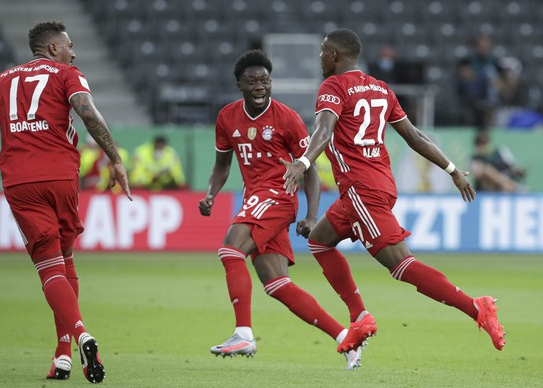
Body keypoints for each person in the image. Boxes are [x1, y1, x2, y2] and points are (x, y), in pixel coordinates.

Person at [282, 29, 505, 361]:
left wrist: (301, 162)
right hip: (377, 185)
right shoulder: (381, 88)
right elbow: (414, 136)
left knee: (401, 264)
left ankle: (476, 307)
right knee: (318, 240)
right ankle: (359, 317)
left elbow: (324, 131)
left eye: (321, 52)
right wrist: (453, 170)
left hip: (361, 190)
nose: (319, 58)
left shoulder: (333, 86)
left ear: (334, 56)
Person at [0, 21, 133, 383]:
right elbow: (88, 114)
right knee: (65, 260)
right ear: (54, 48)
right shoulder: (67, 73)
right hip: (62, 178)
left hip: (20, 183)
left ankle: (79, 338)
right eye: (69, 46)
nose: (74, 52)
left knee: (50, 266)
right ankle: (63, 355)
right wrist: (115, 159)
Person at [198, 49, 362, 370]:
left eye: (265, 80)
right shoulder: (227, 117)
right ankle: (346, 338)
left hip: (278, 195)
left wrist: (312, 215)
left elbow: (310, 169)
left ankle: (243, 333)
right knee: (276, 284)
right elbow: (221, 166)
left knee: (230, 251)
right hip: (254, 199)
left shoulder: (287, 118)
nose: (260, 86)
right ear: (239, 86)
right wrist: (211, 194)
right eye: (252, 81)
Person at [456, 35, 518, 128]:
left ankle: (492, 102)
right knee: (488, 73)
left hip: (491, 89)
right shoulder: (468, 59)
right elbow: (465, 75)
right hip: (474, 88)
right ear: (477, 46)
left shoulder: (494, 60)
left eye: (486, 46)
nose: (484, 48)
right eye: (482, 46)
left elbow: (502, 76)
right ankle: (496, 98)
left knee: (494, 74)